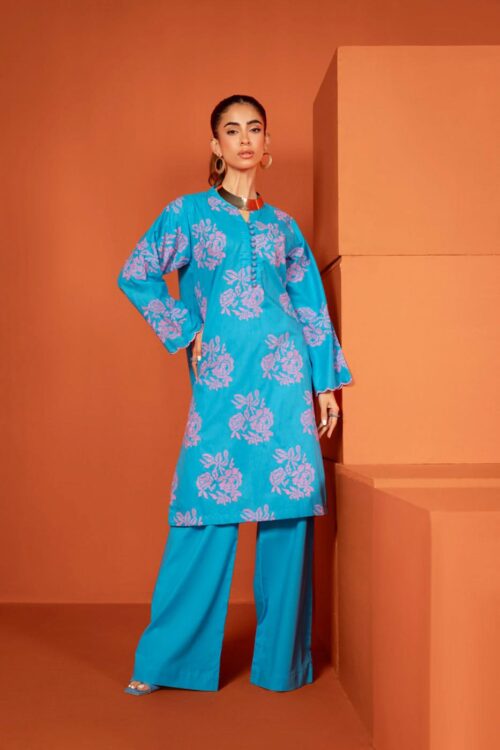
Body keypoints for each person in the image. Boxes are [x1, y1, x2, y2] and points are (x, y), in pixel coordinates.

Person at [117, 94, 354, 695]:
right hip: (223, 382)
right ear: (215, 146)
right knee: (204, 509)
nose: (245, 139)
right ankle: (167, 662)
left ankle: (282, 665)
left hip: (285, 381)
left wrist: (325, 384)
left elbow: (310, 308)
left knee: (289, 512)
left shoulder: (284, 228)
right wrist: (185, 329)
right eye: (232, 130)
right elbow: (136, 272)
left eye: (254, 128)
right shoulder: (187, 214)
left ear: (266, 143)